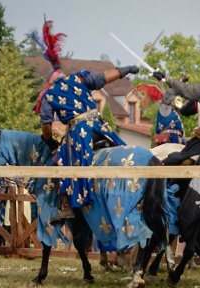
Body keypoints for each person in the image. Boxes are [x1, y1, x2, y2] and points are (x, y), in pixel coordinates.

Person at [34, 19, 138, 214]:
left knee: (60, 160)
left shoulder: (48, 95)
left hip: (79, 135)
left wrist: (48, 140)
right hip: (100, 126)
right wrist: (127, 69)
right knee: (122, 150)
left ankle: (66, 206)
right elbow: (103, 77)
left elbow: (47, 124)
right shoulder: (78, 77)